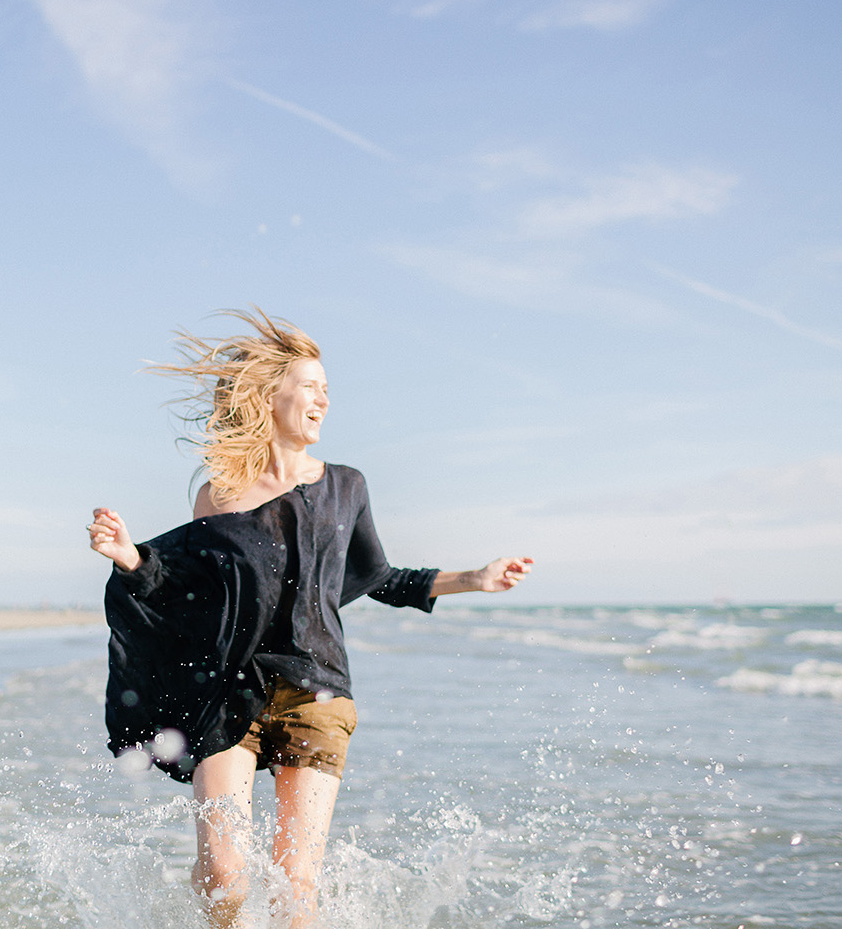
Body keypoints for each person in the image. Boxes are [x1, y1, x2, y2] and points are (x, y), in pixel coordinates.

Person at [88, 309, 531, 929]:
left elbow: (380, 577)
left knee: (296, 883)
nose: (324, 400)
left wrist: (474, 579)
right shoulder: (219, 493)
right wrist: (130, 557)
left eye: (328, 390)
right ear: (271, 396)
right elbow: (186, 587)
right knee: (225, 876)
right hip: (227, 693)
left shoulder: (346, 486)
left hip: (316, 690)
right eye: (312, 387)